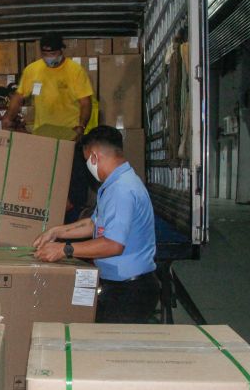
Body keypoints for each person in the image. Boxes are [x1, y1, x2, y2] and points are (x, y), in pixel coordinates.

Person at [33, 125, 159, 323]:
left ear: (95, 156)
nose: (87, 167)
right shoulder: (115, 184)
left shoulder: (121, 190)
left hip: (129, 290)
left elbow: (113, 244)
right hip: (119, 284)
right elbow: (94, 225)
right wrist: (56, 232)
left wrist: (65, 250)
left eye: (86, 161)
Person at [2, 33, 95, 222]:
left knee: (74, 179)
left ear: (61, 51)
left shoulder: (74, 71)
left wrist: (81, 127)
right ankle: (47, 218)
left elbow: (86, 102)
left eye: (52, 53)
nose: (49, 57)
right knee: (45, 180)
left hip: (69, 135)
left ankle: (76, 218)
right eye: (45, 53)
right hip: (43, 135)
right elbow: (18, 97)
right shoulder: (33, 70)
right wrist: (8, 117)